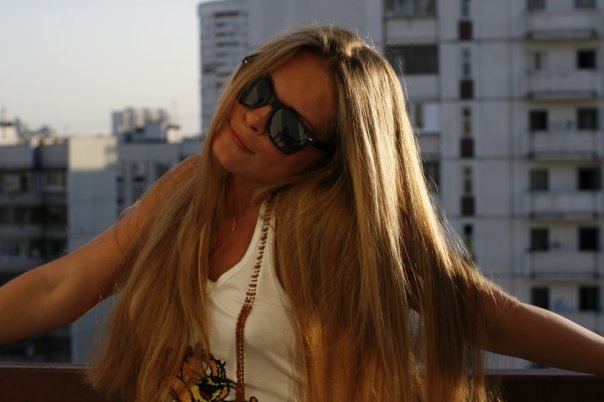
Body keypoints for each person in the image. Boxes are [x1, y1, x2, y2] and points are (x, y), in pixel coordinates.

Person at [0, 25, 603, 402]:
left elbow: (475, 311)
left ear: (331, 160)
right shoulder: (188, 188)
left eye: (289, 127)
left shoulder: (333, 227)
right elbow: (62, 285)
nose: (255, 119)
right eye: (258, 91)